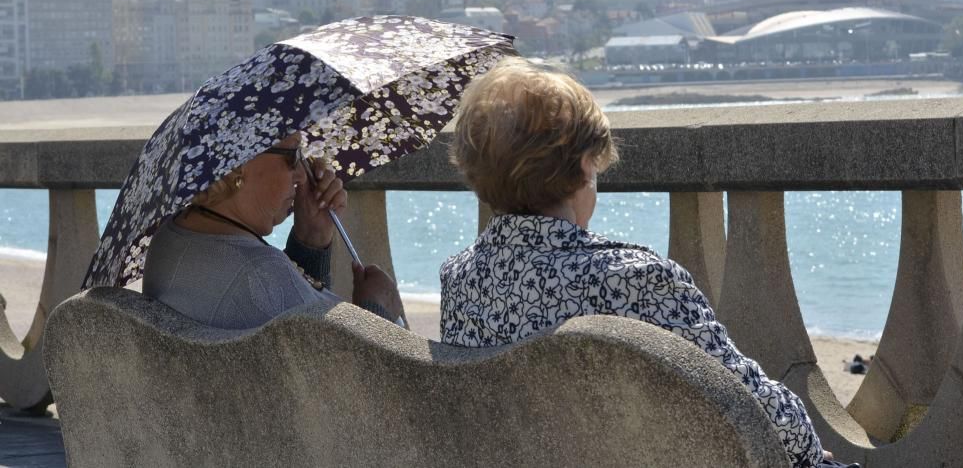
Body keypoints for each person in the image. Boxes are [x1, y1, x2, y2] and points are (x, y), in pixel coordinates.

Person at [439, 58, 831, 468]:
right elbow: (758, 412)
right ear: (586, 165)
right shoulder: (636, 279)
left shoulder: (459, 279)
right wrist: (804, 445)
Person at [143, 132, 403, 329]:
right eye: (292, 157)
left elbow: (290, 325)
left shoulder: (170, 237)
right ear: (240, 163)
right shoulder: (259, 275)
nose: (302, 175)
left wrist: (311, 239)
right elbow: (359, 384)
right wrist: (378, 311)